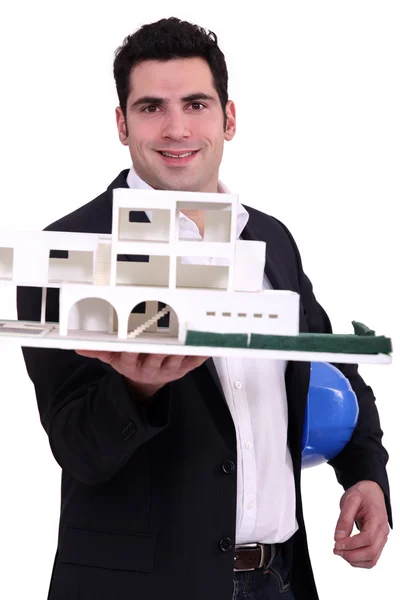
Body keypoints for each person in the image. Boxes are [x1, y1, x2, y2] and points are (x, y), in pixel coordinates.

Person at [17, 16, 392, 600]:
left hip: (280, 580)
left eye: (195, 104)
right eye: (150, 108)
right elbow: (78, 450)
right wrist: (136, 392)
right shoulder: (68, 252)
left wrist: (366, 470)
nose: (175, 128)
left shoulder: (271, 241)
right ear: (121, 123)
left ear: (229, 118)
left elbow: (330, 361)